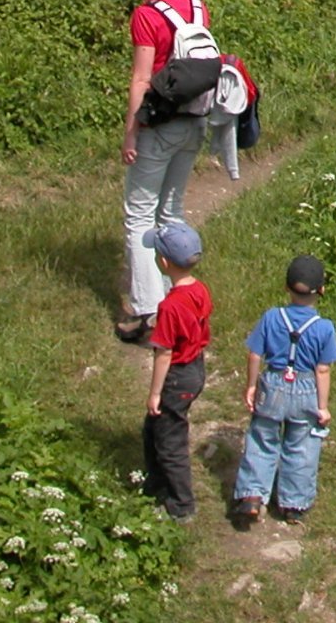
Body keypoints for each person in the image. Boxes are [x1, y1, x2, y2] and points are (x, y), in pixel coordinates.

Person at [118, 0, 212, 344]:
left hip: (159, 123)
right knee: (170, 213)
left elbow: (142, 78)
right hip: (195, 118)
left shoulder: (147, 14)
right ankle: (179, 301)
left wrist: (130, 131)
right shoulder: (197, 7)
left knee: (139, 215)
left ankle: (148, 312)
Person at [232, 253, 336, 527]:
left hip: (273, 384)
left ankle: (253, 496)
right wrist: (323, 405)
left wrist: (251, 385)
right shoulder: (324, 328)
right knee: (302, 446)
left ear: (286, 288)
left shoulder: (271, 317)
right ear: (322, 291)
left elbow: (255, 354)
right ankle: (294, 504)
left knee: (262, 438)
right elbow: (323, 369)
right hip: (306, 388)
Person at [142, 222, 211, 522]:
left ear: (164, 263)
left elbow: (164, 353)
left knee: (170, 441)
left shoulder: (170, 307)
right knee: (153, 429)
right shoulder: (199, 290)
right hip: (195, 367)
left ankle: (182, 505)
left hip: (177, 375)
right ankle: (155, 483)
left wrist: (155, 393)